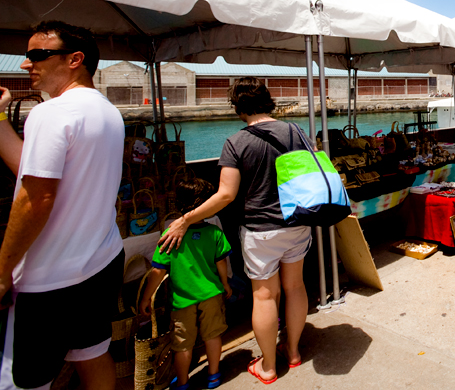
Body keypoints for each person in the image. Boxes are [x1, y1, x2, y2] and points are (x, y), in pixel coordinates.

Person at [159, 77, 311, 385]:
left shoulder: (237, 142)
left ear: (237, 106)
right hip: (297, 222)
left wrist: (186, 218)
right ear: (268, 100)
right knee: (295, 287)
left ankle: (268, 367)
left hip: (260, 229)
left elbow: (226, 195)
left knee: (266, 296)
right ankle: (292, 352)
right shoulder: (296, 131)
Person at [0, 22, 124, 390]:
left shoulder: (50, 113)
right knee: (92, 354)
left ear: (75, 59)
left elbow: (36, 197)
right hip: (100, 261)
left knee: (25, 382)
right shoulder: (107, 112)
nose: (26, 64)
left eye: (37, 55)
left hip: (48, 277)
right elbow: (32, 168)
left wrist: (2, 271)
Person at [140, 178, 232, 390]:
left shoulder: (170, 235)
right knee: (213, 336)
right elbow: (222, 263)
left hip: (182, 300)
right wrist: (225, 284)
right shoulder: (215, 233)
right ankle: (213, 375)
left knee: (182, 345)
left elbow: (157, 271)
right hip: (211, 294)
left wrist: (146, 297)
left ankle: (182, 383)